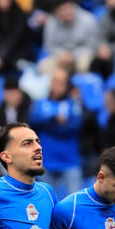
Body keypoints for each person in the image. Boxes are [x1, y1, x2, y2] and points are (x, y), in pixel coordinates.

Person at [30, 67, 84, 198]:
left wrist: (48, 125)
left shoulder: (73, 105)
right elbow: (33, 121)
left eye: (61, 82)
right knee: (48, 203)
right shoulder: (40, 103)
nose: (58, 86)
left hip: (70, 162)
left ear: (67, 84)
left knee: (74, 203)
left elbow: (74, 126)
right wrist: (54, 120)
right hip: (46, 161)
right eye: (55, 81)